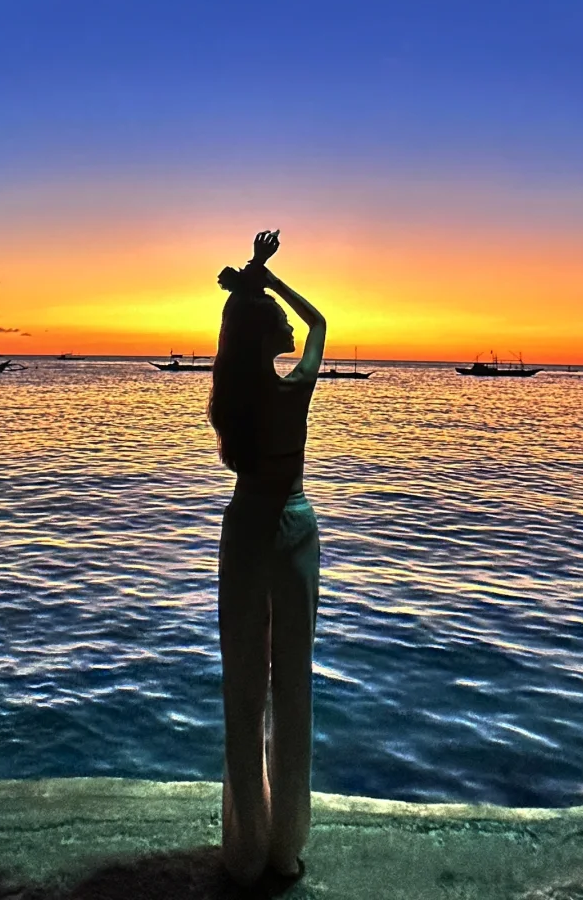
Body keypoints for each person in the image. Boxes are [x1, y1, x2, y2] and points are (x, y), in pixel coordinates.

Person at [209, 229, 326, 888]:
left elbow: (244, 323)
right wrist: (271, 278)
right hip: (295, 529)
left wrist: (252, 279)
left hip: (245, 527)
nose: (284, 321)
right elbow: (320, 320)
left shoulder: (234, 402)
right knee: (293, 683)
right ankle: (284, 847)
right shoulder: (296, 389)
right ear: (265, 336)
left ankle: (246, 847)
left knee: (244, 681)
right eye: (273, 318)